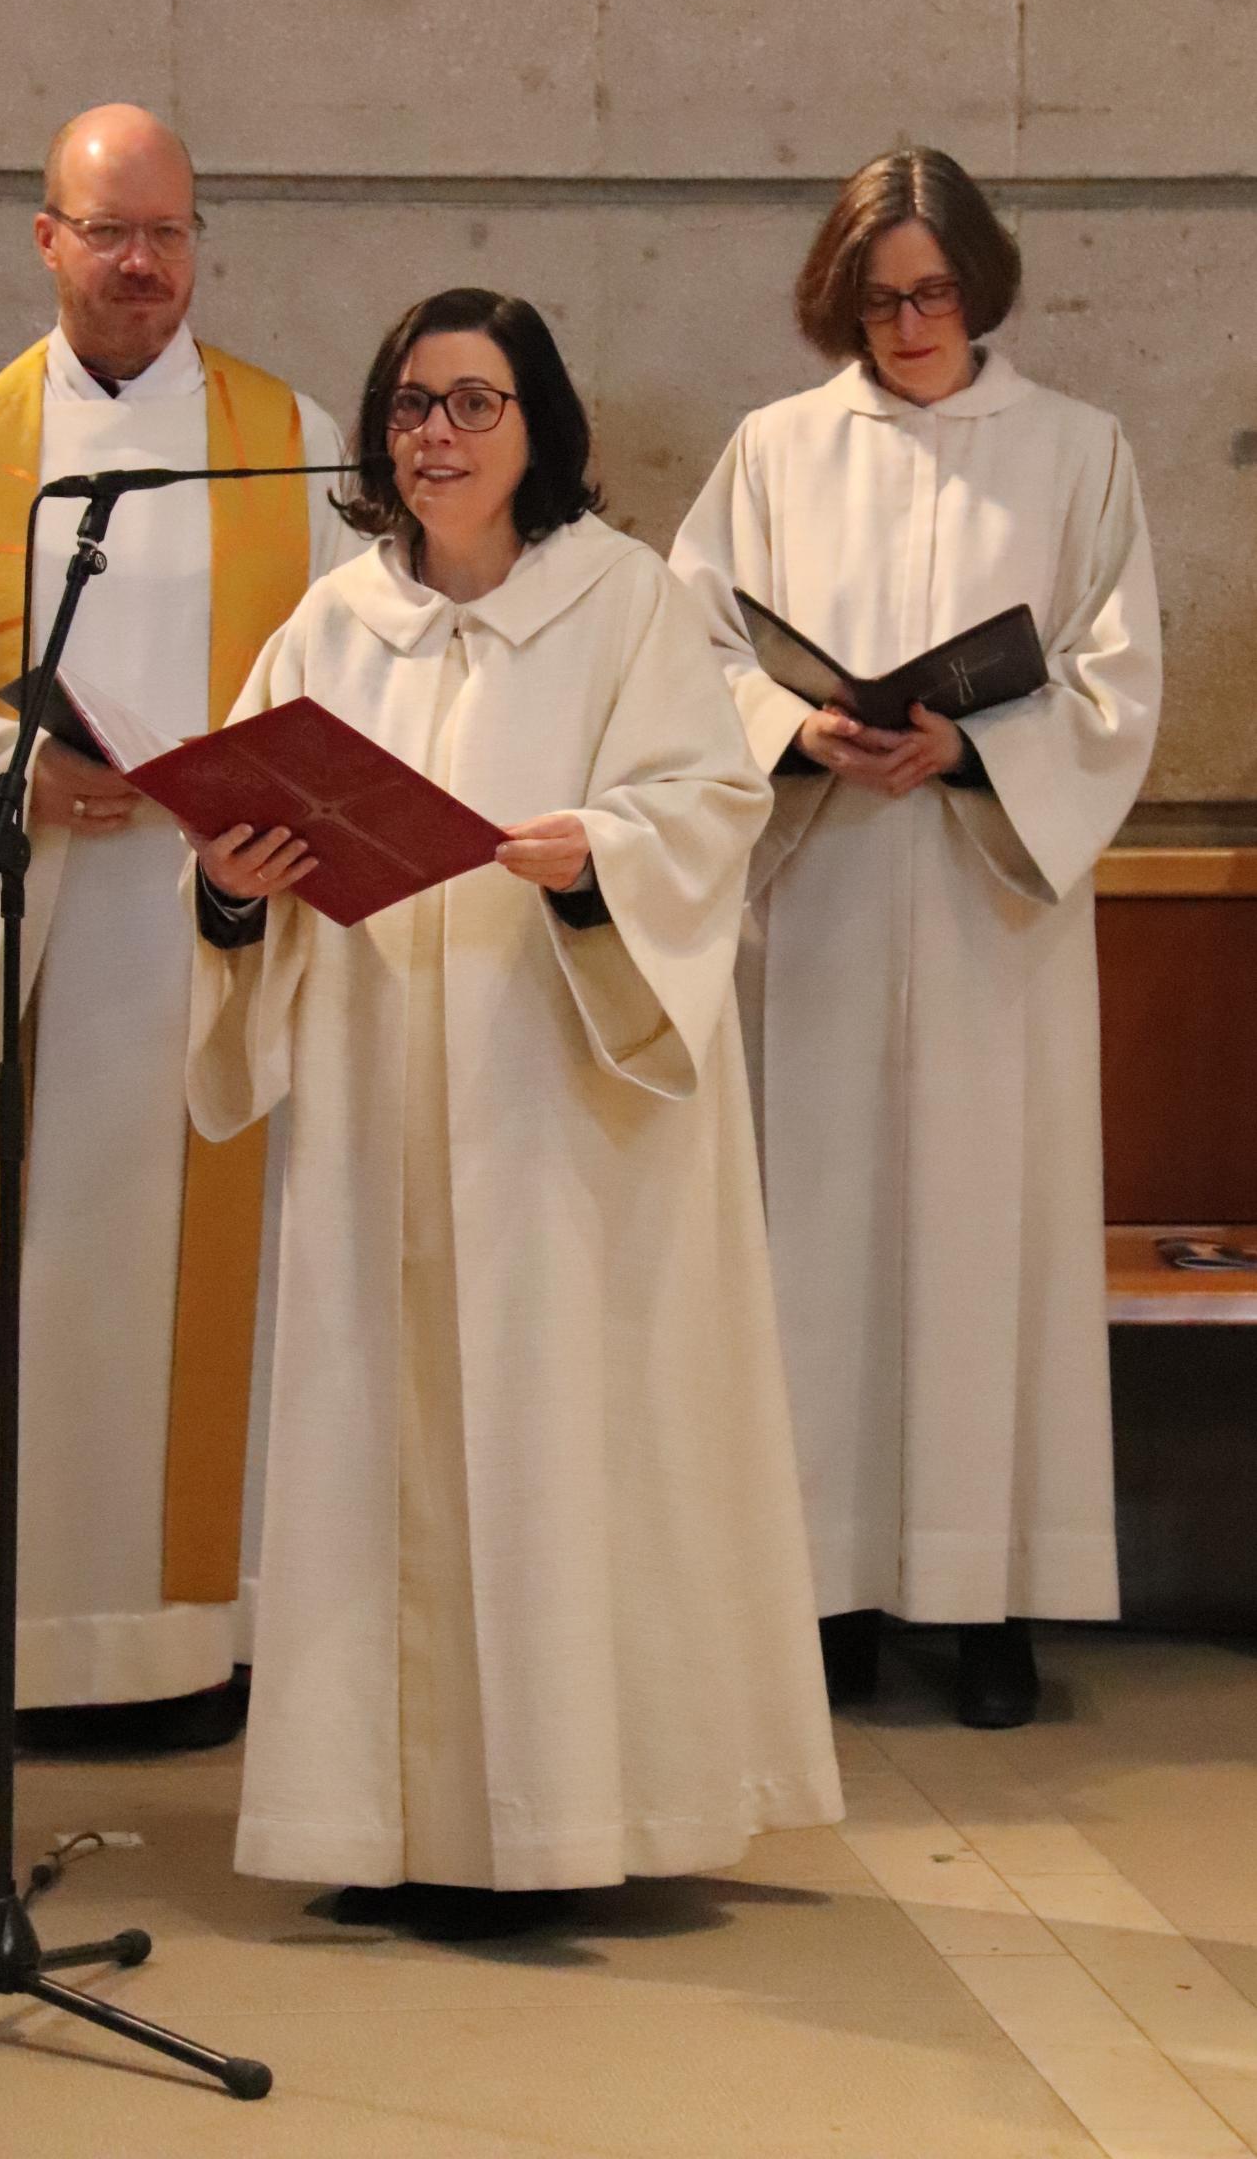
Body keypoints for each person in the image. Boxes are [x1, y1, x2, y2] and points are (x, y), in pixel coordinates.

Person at [185, 287, 842, 1934]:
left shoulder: (624, 605)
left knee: (554, 1440)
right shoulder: (332, 627)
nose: (439, 435)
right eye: (412, 403)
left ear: (540, 426)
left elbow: (710, 805)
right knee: (376, 1434)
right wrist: (232, 894)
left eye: (476, 403)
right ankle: (380, 1816)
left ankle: (554, 1817)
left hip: (557, 1107)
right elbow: (255, 843)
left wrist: (601, 860)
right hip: (375, 1105)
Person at [0, 103, 354, 1738]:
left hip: (222, 955)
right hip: (39, 965)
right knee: (45, 1296)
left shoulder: (289, 435)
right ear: (45, 238)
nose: (144, 264)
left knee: (218, 1303)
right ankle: (30, 1651)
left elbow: (366, 668)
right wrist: (8, 769)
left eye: (172, 232)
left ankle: (204, 1645)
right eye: (111, 231)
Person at [671, 149, 1161, 1729]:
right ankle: (822, 1596)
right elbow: (688, 645)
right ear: (843, 304)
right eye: (879, 302)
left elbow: (1116, 679)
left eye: (935, 293)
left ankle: (990, 1595)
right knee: (814, 1245)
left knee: (986, 1239)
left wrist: (973, 750)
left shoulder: (1077, 452)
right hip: (818, 902)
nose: (910, 326)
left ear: (982, 282)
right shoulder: (773, 450)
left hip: (985, 906)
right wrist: (793, 727)